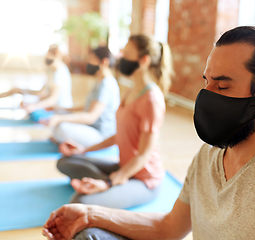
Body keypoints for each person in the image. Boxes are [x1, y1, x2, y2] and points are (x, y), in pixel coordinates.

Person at [43, 26, 255, 240]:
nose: (204, 97)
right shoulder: (209, 155)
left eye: (222, 87)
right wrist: (91, 214)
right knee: (87, 232)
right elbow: (169, 228)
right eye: (206, 82)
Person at [55, 34, 174, 209]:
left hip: (144, 179)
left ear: (144, 60)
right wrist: (84, 150)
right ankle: (109, 182)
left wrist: (108, 184)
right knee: (66, 162)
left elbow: (143, 155)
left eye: (126, 54)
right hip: (123, 166)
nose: (120, 57)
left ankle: (108, 184)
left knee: (79, 203)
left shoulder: (152, 99)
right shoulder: (131, 91)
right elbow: (119, 135)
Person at [45, 46, 120, 148]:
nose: (89, 62)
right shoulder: (100, 81)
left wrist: (60, 118)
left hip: (101, 135)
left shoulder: (107, 84)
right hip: (90, 128)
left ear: (104, 62)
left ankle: (64, 139)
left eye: (92, 59)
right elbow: (87, 106)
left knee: (61, 127)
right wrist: (60, 108)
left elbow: (91, 117)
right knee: (60, 121)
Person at [0, 45, 73, 118]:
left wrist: (34, 106)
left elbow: (52, 100)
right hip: (52, 108)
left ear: (56, 56)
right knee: (27, 105)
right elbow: (41, 93)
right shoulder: (51, 71)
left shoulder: (60, 73)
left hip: (60, 111)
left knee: (33, 113)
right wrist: (19, 90)